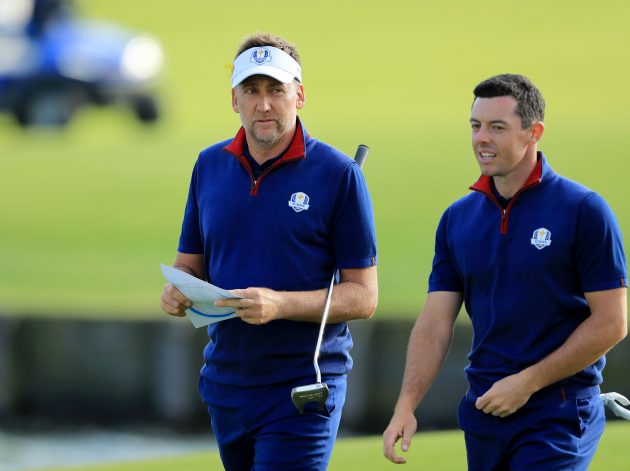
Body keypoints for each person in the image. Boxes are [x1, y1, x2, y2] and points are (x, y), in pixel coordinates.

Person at [383, 74, 627, 470]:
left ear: (534, 132)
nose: (482, 138)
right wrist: (406, 406)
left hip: (558, 412)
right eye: (476, 126)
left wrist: (527, 382)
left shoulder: (584, 210)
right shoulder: (457, 220)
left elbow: (612, 322)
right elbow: (434, 323)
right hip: (485, 409)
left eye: (497, 127)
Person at [160, 32, 378, 471]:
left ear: (299, 95)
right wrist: (177, 292)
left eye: (276, 90)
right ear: (233, 99)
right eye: (251, 91)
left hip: (302, 389)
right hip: (226, 383)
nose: (263, 104)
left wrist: (279, 305)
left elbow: (363, 296)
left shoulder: (338, 175)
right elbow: (190, 264)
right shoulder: (209, 165)